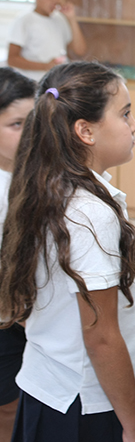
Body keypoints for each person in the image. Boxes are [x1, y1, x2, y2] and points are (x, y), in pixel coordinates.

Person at [0, 62, 135, 441]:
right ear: (85, 130)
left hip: (46, 388)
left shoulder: (47, 188)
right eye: (126, 114)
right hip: (82, 403)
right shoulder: (90, 215)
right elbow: (101, 338)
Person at [0, 69, 35, 442]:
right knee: (8, 409)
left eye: (31, 122)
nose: (28, 133)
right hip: (8, 321)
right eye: (15, 124)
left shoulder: (29, 177)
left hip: (25, 319)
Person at [6, 0, 87, 82]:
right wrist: (45, 66)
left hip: (56, 83)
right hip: (33, 84)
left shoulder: (60, 19)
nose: (55, 0)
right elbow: (12, 59)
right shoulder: (24, 21)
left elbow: (80, 51)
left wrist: (72, 18)